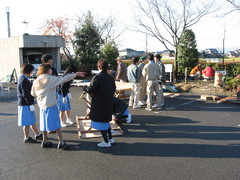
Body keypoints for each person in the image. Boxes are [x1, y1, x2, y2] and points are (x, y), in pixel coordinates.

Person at [31, 64, 84, 149]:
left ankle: (45, 141)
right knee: (57, 125)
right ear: (48, 70)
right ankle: (61, 142)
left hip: (42, 106)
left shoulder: (37, 80)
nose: (52, 70)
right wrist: (76, 74)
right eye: (50, 69)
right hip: (51, 105)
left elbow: (32, 93)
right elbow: (63, 79)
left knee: (44, 125)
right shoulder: (49, 78)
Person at [83, 59, 116, 148]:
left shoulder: (97, 77)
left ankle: (106, 142)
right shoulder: (110, 77)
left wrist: (85, 88)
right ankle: (110, 139)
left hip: (99, 103)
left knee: (101, 123)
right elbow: (114, 89)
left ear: (99, 67)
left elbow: (91, 89)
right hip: (108, 102)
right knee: (106, 122)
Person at [17, 64, 43, 143]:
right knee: (27, 122)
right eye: (32, 70)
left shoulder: (22, 78)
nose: (33, 72)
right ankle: (26, 138)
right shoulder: (23, 80)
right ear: (29, 71)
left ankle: (38, 134)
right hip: (25, 104)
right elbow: (26, 94)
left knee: (31, 120)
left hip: (25, 103)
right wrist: (30, 103)